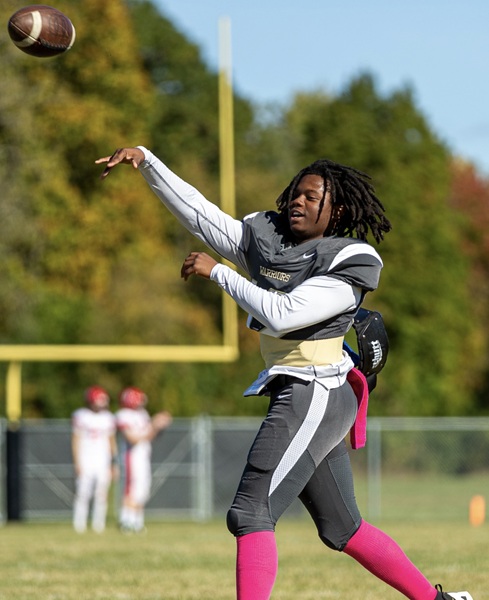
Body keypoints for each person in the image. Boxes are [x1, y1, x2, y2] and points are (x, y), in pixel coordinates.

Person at [96, 147, 473, 600]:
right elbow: (201, 216)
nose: (298, 201)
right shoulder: (270, 240)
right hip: (302, 388)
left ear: (339, 210)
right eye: (296, 193)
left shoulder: (349, 259)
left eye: (313, 197)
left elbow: (283, 313)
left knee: (250, 511)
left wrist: (220, 273)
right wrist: (149, 163)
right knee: (343, 527)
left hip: (315, 389)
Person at [115, 386, 172, 533]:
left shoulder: (142, 414)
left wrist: (158, 426)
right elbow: (132, 438)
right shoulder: (123, 414)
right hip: (131, 457)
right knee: (131, 489)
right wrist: (154, 424)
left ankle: (137, 522)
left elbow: (148, 436)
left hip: (143, 457)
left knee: (142, 491)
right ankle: (126, 521)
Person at [71, 385, 117, 533]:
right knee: (83, 492)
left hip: (102, 460)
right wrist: (77, 461)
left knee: (101, 493)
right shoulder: (81, 415)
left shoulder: (108, 418)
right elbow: (76, 439)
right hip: (86, 459)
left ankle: (99, 525)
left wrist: (114, 463)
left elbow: (111, 441)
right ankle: (79, 525)